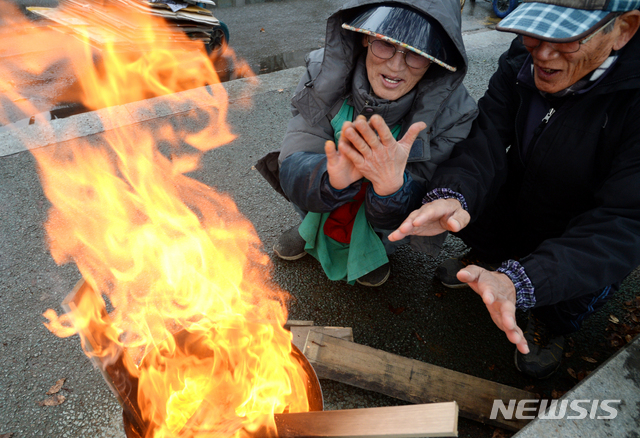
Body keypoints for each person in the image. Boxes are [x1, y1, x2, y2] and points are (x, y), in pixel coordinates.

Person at [386, 0, 640, 378]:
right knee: (474, 204)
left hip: (582, 228)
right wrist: (452, 195)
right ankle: (490, 258)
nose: (542, 52)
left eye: (566, 38)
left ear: (623, 29)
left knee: (569, 290)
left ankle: (550, 320)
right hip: (523, 195)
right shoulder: (522, 55)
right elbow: (487, 133)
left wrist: (527, 280)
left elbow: (624, 222)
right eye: (533, 33)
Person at [257, 0, 478, 287]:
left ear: (436, 58)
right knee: (312, 179)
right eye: (385, 44)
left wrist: (391, 190)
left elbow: (424, 195)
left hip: (384, 217)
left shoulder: (457, 112)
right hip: (323, 195)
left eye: (417, 53)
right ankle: (310, 226)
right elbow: (296, 151)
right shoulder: (323, 71)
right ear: (365, 36)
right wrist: (326, 178)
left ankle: (375, 249)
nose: (396, 66)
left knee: (397, 202)